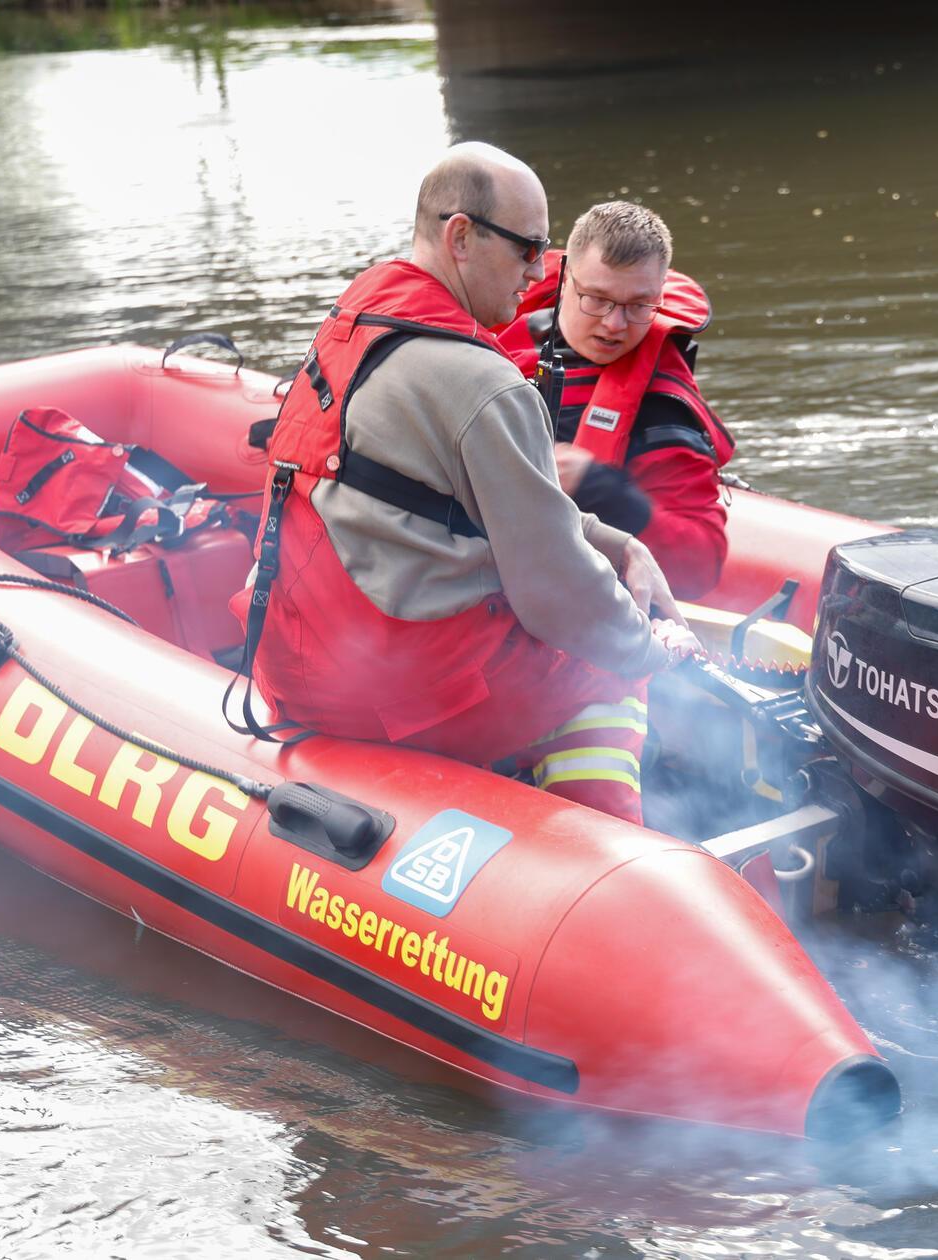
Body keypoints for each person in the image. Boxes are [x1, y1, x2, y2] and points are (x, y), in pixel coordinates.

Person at [231, 143, 697, 824]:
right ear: (461, 236)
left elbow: (445, 499)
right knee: (607, 664)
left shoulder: (350, 323)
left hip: (294, 672)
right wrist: (651, 650)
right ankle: (599, 844)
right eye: (529, 249)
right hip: (394, 696)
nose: (540, 272)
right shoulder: (485, 385)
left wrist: (616, 539)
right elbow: (557, 595)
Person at [495, 202, 736, 601]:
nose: (614, 324)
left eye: (639, 306)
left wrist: (601, 490)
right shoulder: (502, 315)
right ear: (564, 277)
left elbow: (700, 567)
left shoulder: (661, 415)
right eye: (597, 298)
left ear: (659, 296)